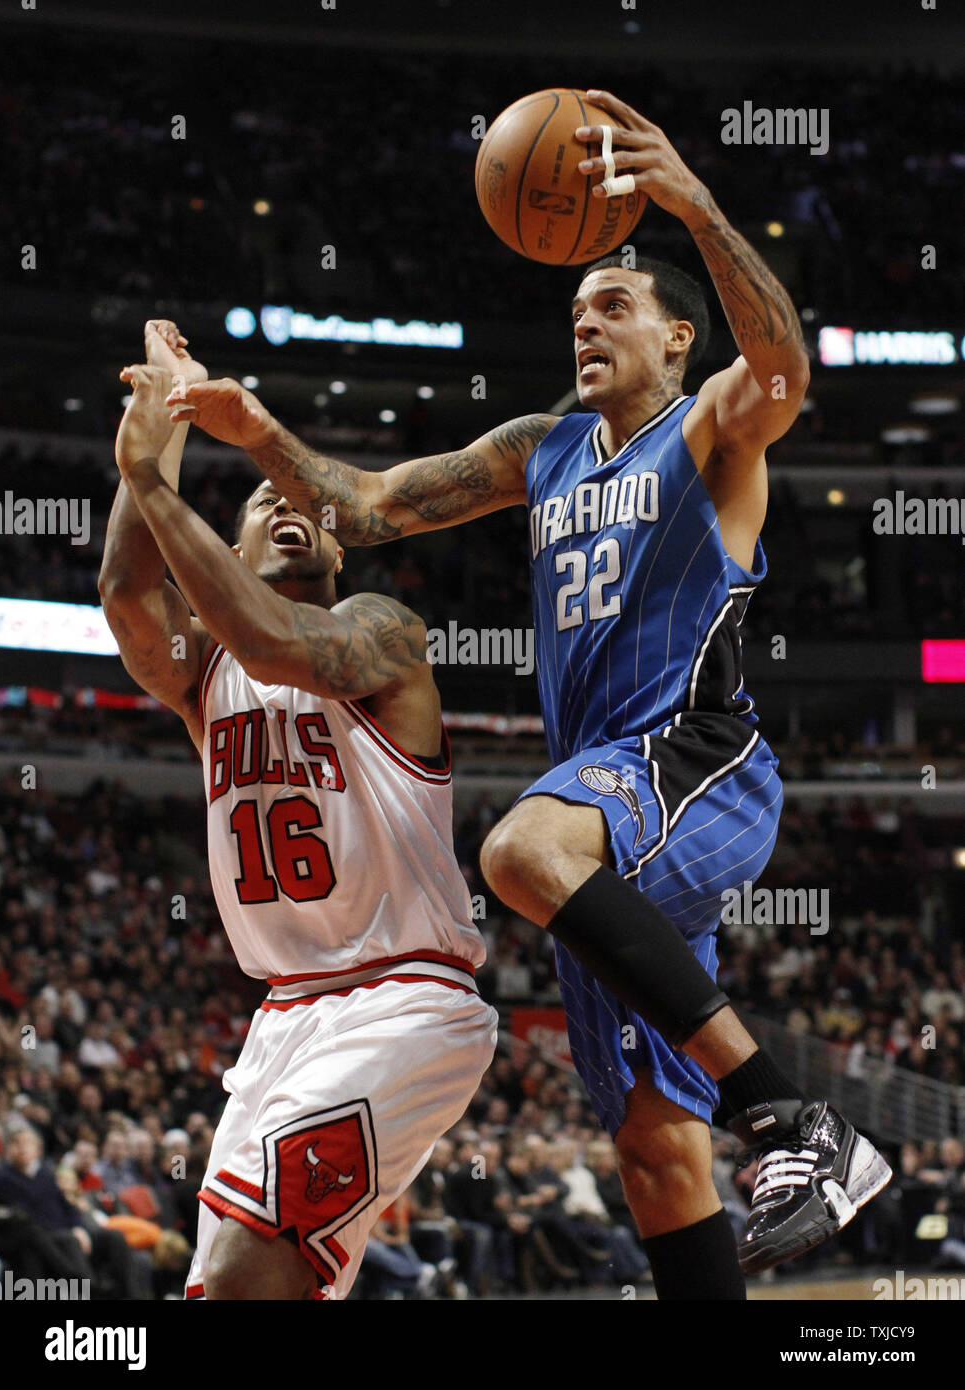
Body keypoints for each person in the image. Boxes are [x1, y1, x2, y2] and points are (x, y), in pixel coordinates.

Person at [167, 91, 890, 1297]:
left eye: (614, 305)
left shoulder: (710, 427)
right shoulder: (539, 449)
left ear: (674, 341)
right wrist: (255, 432)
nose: (586, 323)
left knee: (516, 853)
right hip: (600, 810)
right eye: (574, 309)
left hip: (688, 756)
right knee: (656, 1147)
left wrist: (694, 203)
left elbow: (779, 366)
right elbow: (373, 506)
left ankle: (797, 1123)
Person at [98, 321, 497, 1299]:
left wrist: (155, 483)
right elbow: (125, 588)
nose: (288, 505)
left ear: (339, 554)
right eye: (263, 501)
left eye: (307, 509)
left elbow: (275, 639)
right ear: (224, 551)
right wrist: (163, 418)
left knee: (244, 1274)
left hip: (405, 998)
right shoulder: (203, 679)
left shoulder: (381, 634)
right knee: (254, 1290)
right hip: (280, 1023)